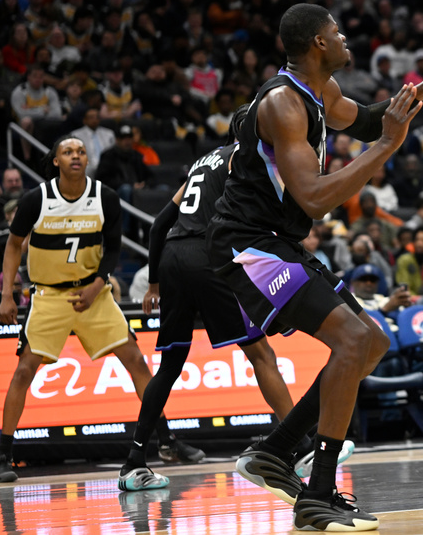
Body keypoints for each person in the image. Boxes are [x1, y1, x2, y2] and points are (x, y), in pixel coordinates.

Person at [206, 3, 423, 531]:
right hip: (247, 244)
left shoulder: (323, 93)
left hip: (278, 241)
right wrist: (388, 145)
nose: (344, 39)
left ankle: (275, 451)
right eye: (337, 32)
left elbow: (371, 120)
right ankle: (317, 494)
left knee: (372, 341)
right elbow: (314, 198)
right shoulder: (282, 103)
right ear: (318, 42)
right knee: (352, 340)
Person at [0, 136, 202, 483]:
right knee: (23, 371)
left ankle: (167, 440)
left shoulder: (104, 196)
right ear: (56, 161)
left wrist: (97, 284)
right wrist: (7, 294)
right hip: (50, 295)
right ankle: (4, 454)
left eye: (80, 151)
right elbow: (14, 244)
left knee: (136, 359)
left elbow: (114, 248)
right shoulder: (38, 198)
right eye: (68, 152)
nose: (76, 156)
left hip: (94, 294)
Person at [118, 106, 300, 492]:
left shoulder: (203, 162)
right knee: (261, 354)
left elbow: (159, 225)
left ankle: (134, 461)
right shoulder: (244, 157)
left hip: (172, 256)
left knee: (169, 365)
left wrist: (153, 284)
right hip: (206, 255)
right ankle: (301, 445)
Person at [70, 107, 115, 177]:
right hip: (87, 167)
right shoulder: (76, 135)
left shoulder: (109, 134)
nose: (94, 120)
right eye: (91, 117)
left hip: (107, 167)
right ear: (84, 120)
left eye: (97, 117)